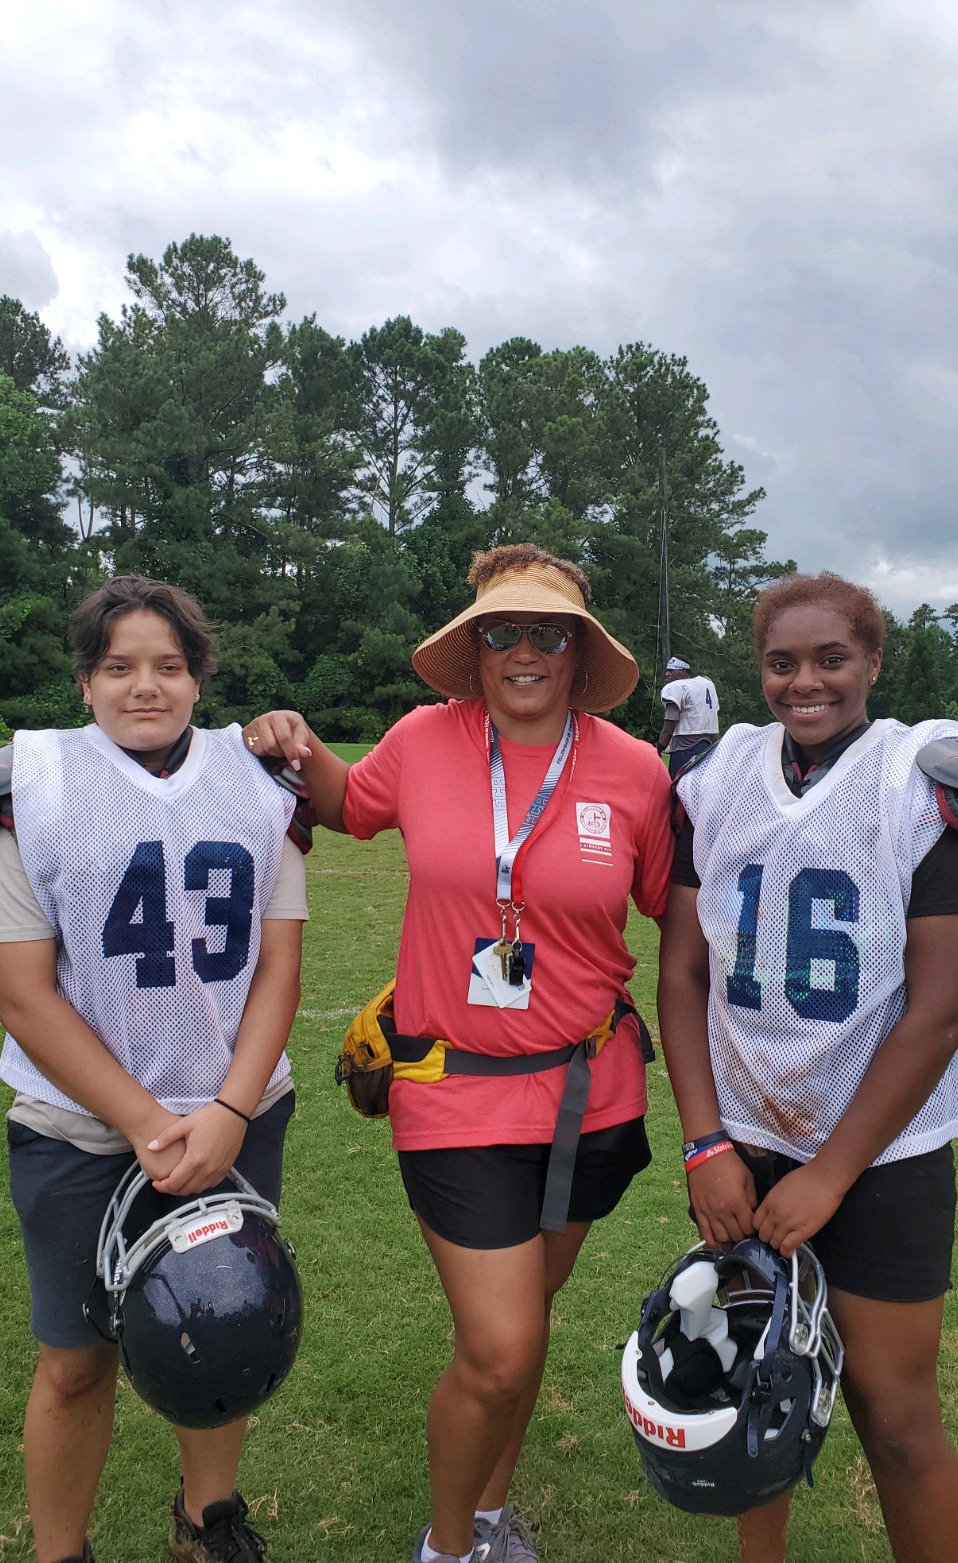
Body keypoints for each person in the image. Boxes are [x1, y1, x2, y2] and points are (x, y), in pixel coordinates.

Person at [244, 543, 674, 1563]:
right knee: (499, 1345)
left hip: (590, 1095)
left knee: (520, 1331)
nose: (523, 652)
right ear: (474, 649)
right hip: (452, 1090)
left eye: (547, 634)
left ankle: (489, 1511)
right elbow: (347, 806)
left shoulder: (634, 770)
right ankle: (448, 1550)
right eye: (502, 632)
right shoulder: (425, 740)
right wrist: (291, 743)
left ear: (578, 652)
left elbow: (684, 916)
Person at [657, 571, 958, 1563]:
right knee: (748, 1383)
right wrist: (704, 1143)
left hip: (881, 1153)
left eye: (831, 658)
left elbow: (938, 1009)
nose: (803, 682)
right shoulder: (720, 775)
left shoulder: (921, 778)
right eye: (780, 662)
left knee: (895, 1422)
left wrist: (830, 1173)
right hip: (744, 1144)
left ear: (872, 660)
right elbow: (681, 971)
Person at [0, 576, 307, 1563]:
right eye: (119, 666)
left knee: (229, 1319)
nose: (145, 685)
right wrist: (150, 1123)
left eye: (169, 666)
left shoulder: (260, 782)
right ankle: (61, 1552)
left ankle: (208, 1518)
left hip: (233, 1112)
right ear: (84, 681)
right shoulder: (26, 785)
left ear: (198, 679)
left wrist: (228, 1109)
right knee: (73, 1360)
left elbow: (278, 965)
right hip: (81, 1126)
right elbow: (23, 994)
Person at [657, 655, 720, 777]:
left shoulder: (677, 688)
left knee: (678, 791)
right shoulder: (706, 684)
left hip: (684, 749)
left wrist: (658, 750)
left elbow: (668, 728)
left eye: (671, 670)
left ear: (682, 671)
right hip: (706, 747)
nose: (666, 674)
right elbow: (712, 720)